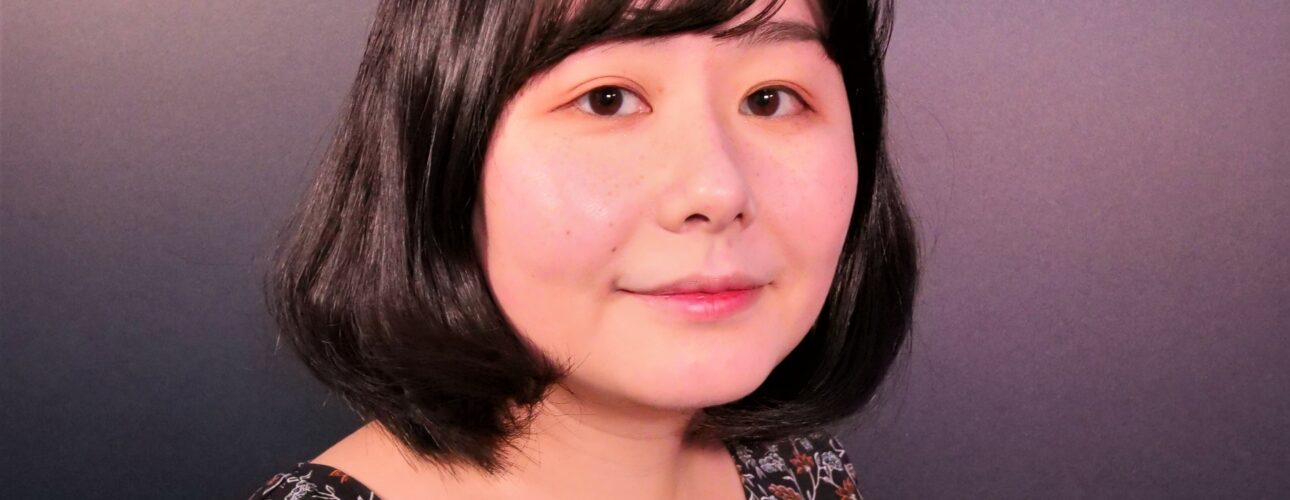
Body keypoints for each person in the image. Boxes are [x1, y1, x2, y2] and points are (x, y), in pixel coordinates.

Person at [249, 0, 917, 498]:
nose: (717, 189)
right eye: (607, 100)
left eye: (770, 100)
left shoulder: (801, 472)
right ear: (440, 152)